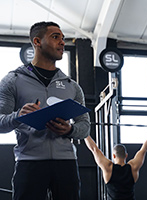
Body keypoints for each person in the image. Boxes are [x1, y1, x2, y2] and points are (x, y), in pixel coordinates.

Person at [0, 21, 90, 200]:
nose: (62, 42)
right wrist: (18, 116)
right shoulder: (13, 80)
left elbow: (85, 126)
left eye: (63, 38)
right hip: (29, 163)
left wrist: (70, 130)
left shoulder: (72, 86)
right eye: (55, 37)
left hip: (66, 164)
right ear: (37, 41)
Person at [84, 126, 147, 200]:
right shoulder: (133, 167)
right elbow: (143, 149)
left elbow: (94, 149)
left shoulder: (108, 167)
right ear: (126, 155)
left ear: (113, 155)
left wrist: (84, 133)